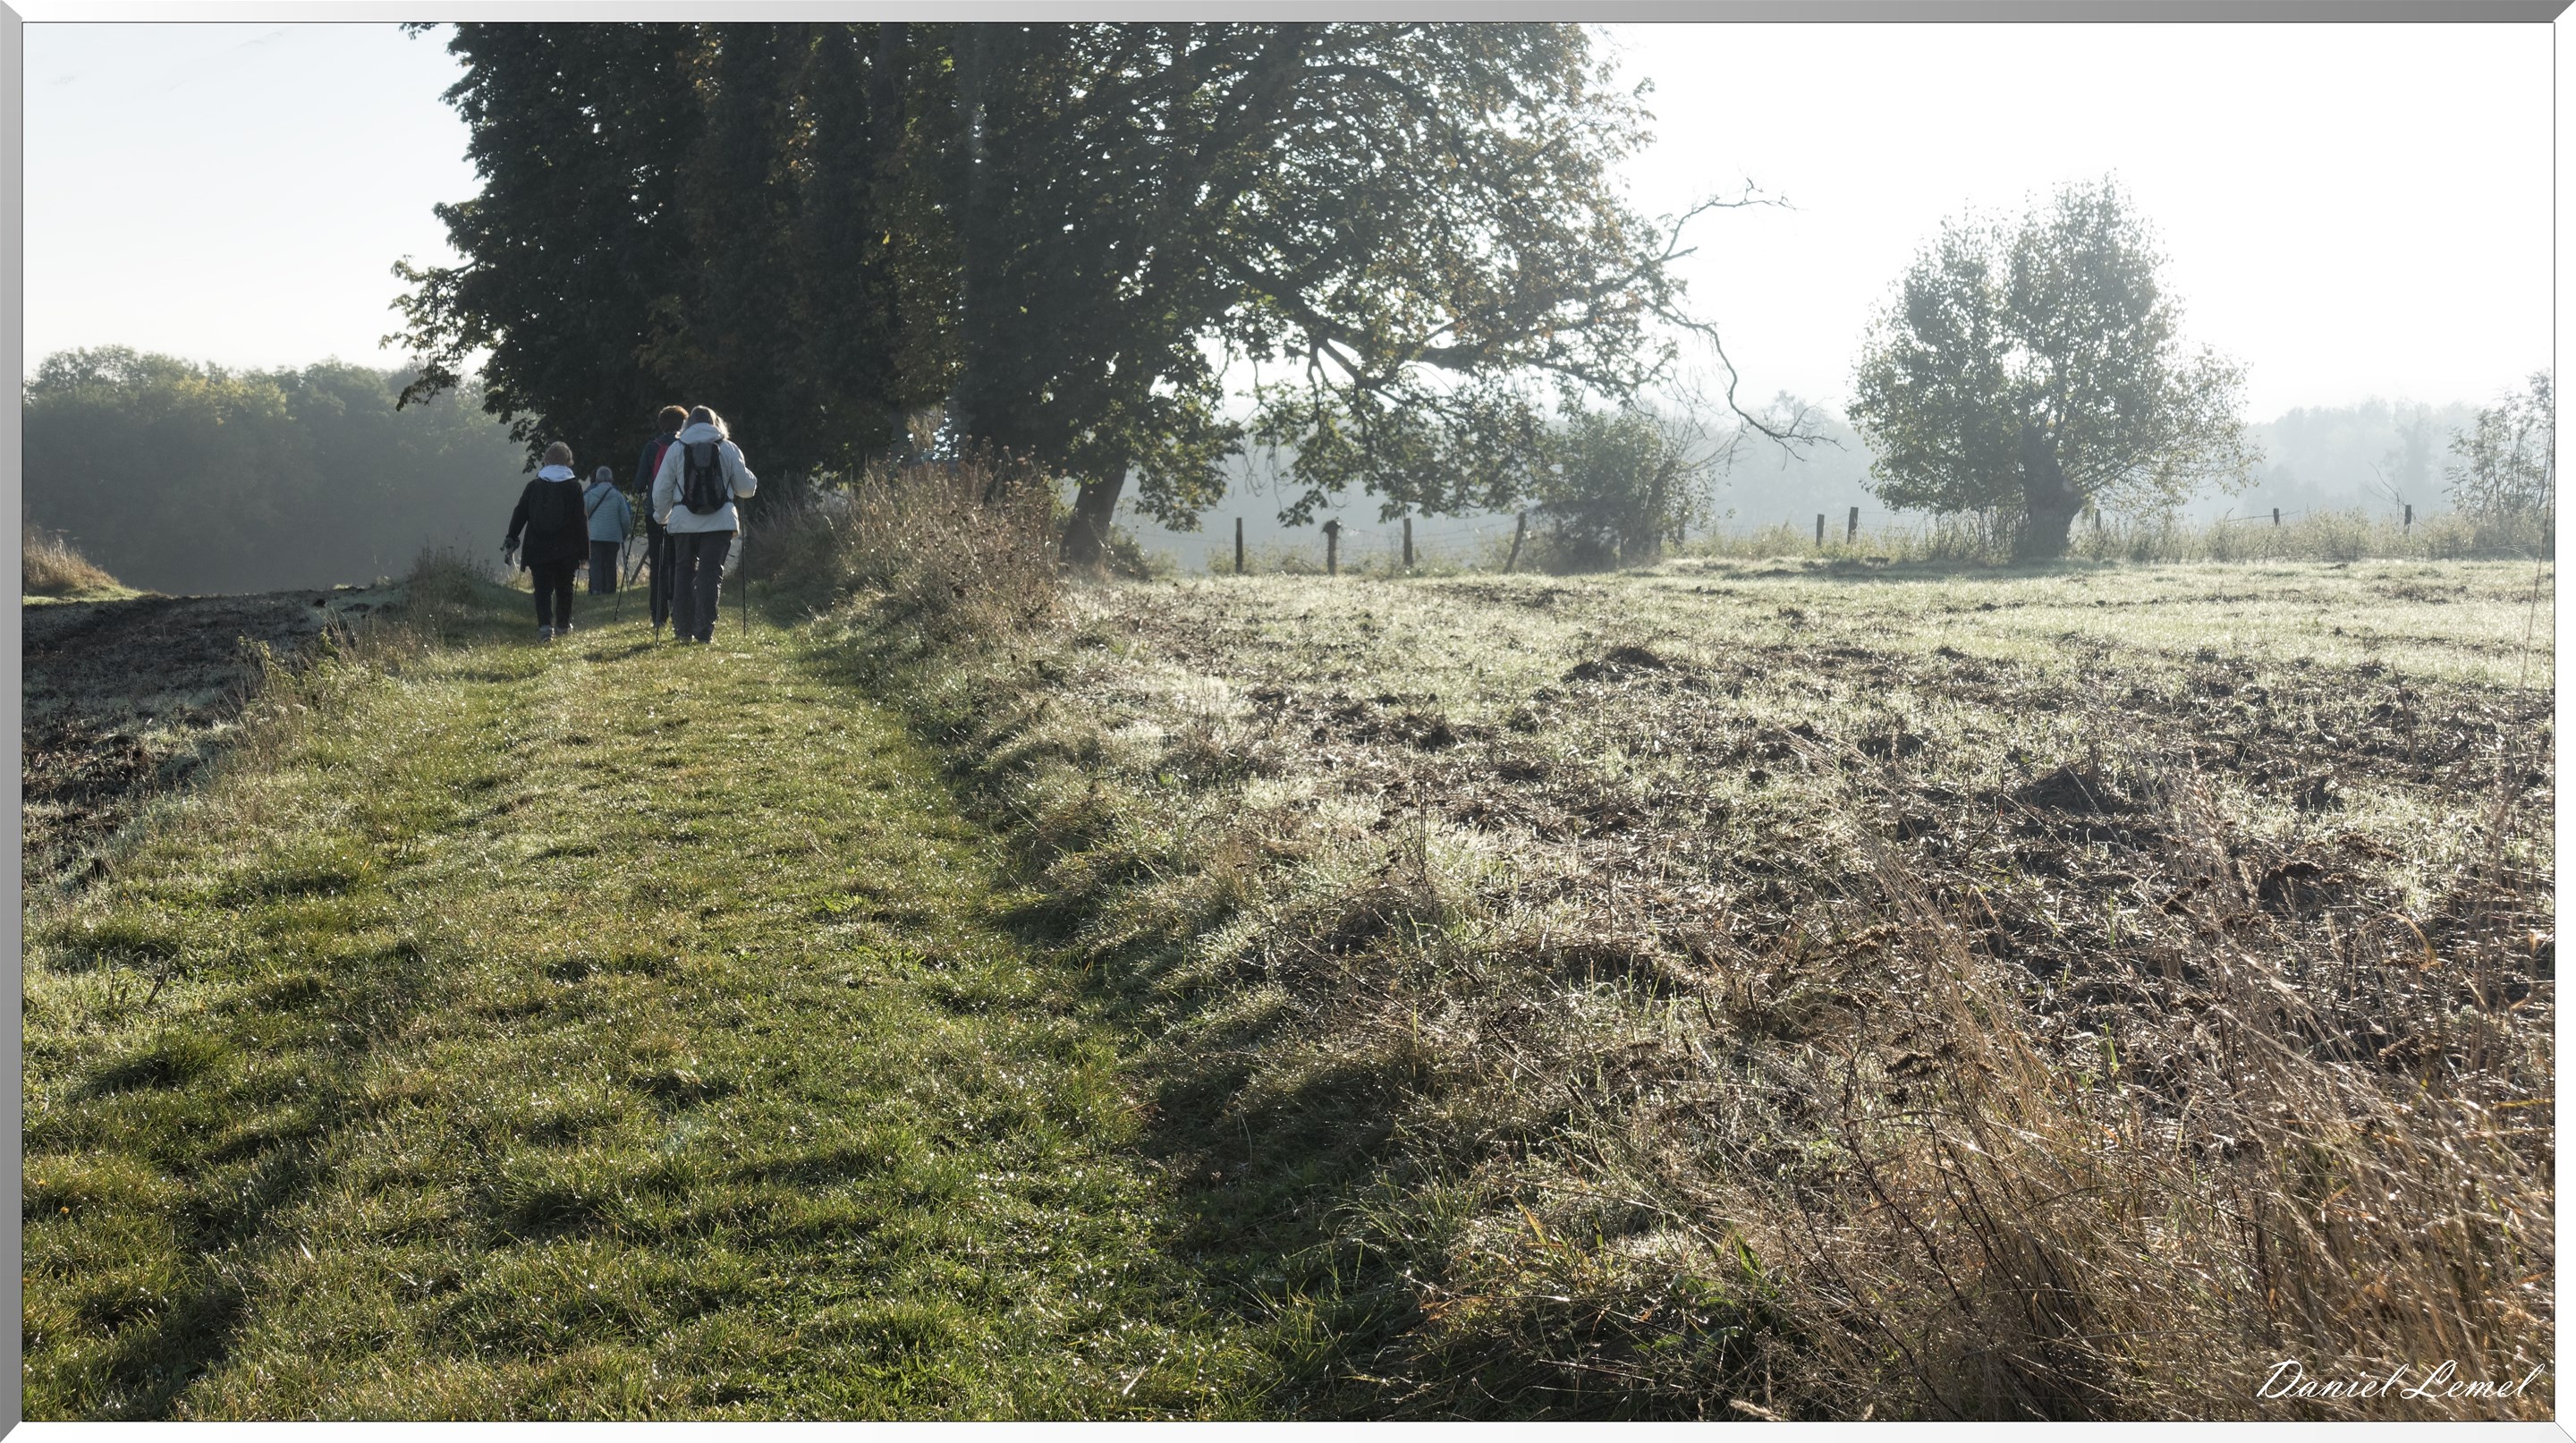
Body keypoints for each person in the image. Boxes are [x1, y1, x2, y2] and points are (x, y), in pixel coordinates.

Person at [649, 406, 758, 643]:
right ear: (716, 423)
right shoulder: (728, 448)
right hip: (719, 523)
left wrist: (661, 517)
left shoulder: (677, 449)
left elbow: (661, 488)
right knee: (710, 574)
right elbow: (746, 490)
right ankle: (704, 630)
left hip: (683, 523)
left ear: (686, 425)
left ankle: (682, 631)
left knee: (683, 572)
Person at [504, 442, 590, 640]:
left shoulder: (534, 485)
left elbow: (520, 513)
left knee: (542, 589)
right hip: (567, 548)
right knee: (565, 587)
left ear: (546, 460)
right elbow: (580, 521)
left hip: (538, 546)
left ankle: (544, 627)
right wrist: (585, 553)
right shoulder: (574, 487)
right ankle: (562, 625)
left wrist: (512, 537)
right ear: (568, 460)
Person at [632, 405, 688, 630]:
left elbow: (638, 483)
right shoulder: (686, 446)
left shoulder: (652, 447)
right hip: (682, 511)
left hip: (654, 511)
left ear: (662, 424)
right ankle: (678, 608)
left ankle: (658, 615)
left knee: (659, 563)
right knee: (680, 561)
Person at [583, 465, 633, 595]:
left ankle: (596, 590)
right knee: (610, 564)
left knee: (595, 564)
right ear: (611, 479)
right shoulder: (618, 496)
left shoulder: (589, 495)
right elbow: (626, 519)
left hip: (594, 536)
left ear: (597, 479)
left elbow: (582, 516)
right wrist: (623, 534)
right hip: (613, 536)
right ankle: (610, 590)